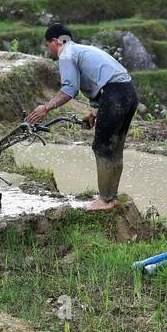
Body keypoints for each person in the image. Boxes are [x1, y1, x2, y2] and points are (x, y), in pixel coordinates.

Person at [27, 23, 139, 211]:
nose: (49, 51)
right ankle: (111, 197)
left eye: (48, 46)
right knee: (115, 147)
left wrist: (46, 108)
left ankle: (105, 200)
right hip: (129, 93)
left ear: (56, 41)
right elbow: (96, 85)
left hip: (115, 95)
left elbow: (69, 89)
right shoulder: (82, 50)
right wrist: (95, 111)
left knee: (101, 147)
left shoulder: (67, 53)